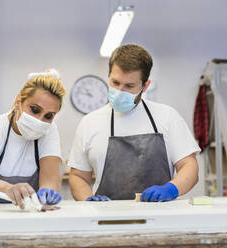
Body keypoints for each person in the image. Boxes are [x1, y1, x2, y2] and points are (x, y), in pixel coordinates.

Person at [68, 44, 201, 202]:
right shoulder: (89, 123)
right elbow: (78, 177)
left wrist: (171, 189)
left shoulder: (167, 117)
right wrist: (88, 201)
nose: (120, 91)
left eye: (129, 86)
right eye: (115, 83)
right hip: (106, 220)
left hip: (162, 219)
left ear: (145, 86)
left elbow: (189, 167)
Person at [0, 69, 65, 209]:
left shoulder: (49, 131)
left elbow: (51, 179)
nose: (39, 120)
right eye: (34, 109)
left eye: (49, 116)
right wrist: (7, 188)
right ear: (18, 101)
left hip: (23, 215)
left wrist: (48, 192)